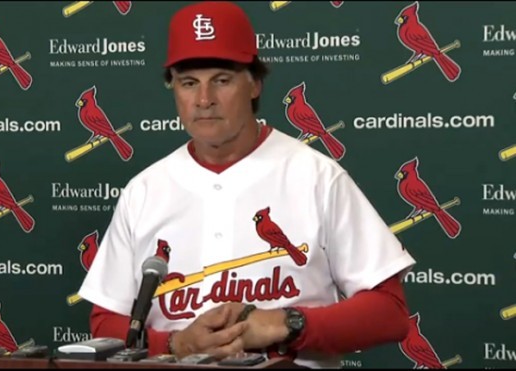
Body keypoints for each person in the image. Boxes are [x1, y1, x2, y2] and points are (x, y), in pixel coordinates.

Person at [78, 1, 417, 368]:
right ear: (173, 89)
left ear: (254, 84)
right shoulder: (144, 190)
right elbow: (106, 321)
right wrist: (175, 343)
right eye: (189, 83)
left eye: (221, 80)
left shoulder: (317, 176)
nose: (204, 100)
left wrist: (288, 323)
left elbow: (389, 312)